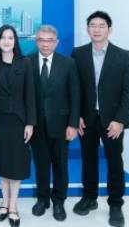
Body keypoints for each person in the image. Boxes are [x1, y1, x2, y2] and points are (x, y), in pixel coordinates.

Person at [71, 11, 129, 227]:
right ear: (87, 29)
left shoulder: (123, 56)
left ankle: (115, 204)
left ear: (110, 29)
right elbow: (74, 89)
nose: (96, 29)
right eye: (93, 25)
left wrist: (120, 120)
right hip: (87, 119)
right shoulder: (78, 54)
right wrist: (77, 116)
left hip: (112, 121)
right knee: (88, 159)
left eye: (101, 26)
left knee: (114, 162)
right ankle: (89, 197)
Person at [0, 24, 35, 227]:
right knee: (2, 163)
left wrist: (30, 123)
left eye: (11, 38)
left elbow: (30, 95)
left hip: (19, 121)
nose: (7, 41)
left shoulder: (25, 63)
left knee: (17, 164)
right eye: (3, 38)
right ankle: (4, 203)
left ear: (15, 41)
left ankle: (13, 206)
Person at [28, 25, 80, 222]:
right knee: (41, 165)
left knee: (60, 166)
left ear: (56, 42)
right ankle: (42, 200)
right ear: (36, 41)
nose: (45, 44)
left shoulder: (68, 64)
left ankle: (59, 202)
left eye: (49, 40)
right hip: (36, 126)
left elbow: (75, 95)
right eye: (41, 40)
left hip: (61, 125)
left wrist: (73, 124)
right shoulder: (27, 62)